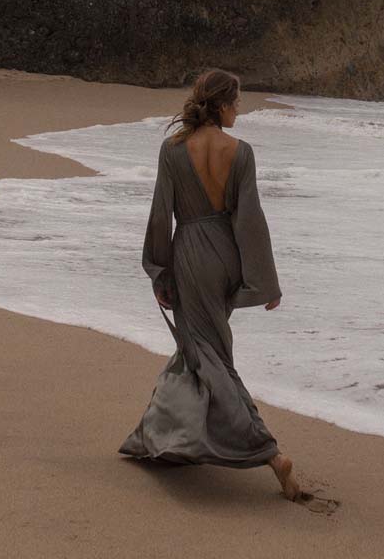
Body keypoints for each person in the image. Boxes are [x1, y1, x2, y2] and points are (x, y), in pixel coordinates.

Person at [117, 67, 303, 501]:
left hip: (191, 254)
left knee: (207, 356)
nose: (239, 109)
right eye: (236, 102)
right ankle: (169, 438)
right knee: (206, 351)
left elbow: (162, 213)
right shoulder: (240, 152)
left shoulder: (173, 149)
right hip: (226, 257)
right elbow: (250, 221)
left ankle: (268, 451)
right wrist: (264, 283)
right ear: (220, 105)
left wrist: (159, 270)